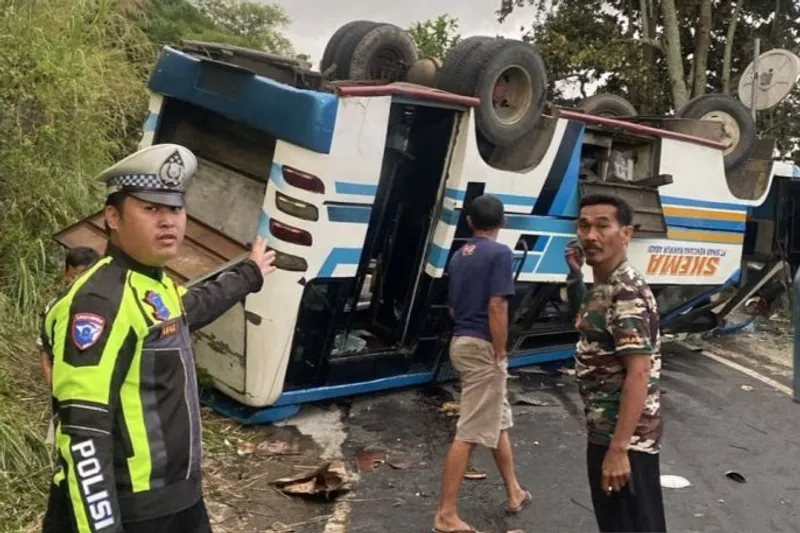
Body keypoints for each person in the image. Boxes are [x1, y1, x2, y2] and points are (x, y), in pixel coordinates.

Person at [39, 143, 277, 533]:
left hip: (180, 502)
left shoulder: (155, 285)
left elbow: (193, 307)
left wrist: (249, 274)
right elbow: (84, 433)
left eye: (176, 209)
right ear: (113, 217)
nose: (168, 221)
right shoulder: (99, 302)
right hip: (131, 511)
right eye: (151, 209)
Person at [564, 193, 666, 533]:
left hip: (625, 440)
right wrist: (575, 276)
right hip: (605, 431)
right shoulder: (604, 284)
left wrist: (619, 449)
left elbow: (639, 372)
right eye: (584, 226)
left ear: (626, 234)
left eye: (602, 226)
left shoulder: (626, 290)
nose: (590, 235)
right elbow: (589, 325)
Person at [433, 194, 531, 533]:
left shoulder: (459, 256)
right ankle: (446, 515)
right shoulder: (500, 253)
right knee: (471, 431)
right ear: (502, 222)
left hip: (461, 340)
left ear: (470, 222)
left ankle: (514, 491)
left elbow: (453, 307)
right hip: (483, 347)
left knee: (497, 420)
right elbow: (496, 306)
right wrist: (499, 350)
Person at [38, 246, 101, 386]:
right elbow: (44, 350)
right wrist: (53, 387)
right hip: (64, 387)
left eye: (84, 277)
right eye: (73, 276)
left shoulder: (107, 307)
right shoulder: (55, 306)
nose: (78, 282)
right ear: (65, 274)